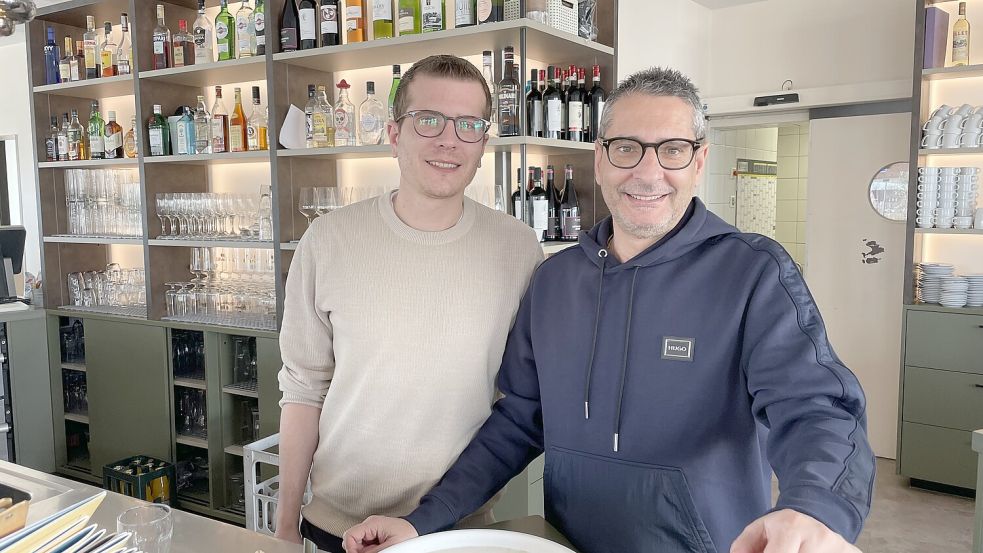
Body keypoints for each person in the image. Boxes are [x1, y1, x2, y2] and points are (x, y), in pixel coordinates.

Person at [343, 67, 873, 553]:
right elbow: (518, 421)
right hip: (567, 544)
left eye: (672, 150)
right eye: (626, 148)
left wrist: (814, 507)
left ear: (699, 161)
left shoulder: (753, 274)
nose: (648, 173)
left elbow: (816, 409)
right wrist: (424, 520)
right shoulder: (555, 281)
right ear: (599, 158)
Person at [275, 54, 544, 553]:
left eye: (468, 125)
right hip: (335, 528)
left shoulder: (520, 248)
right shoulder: (328, 240)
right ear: (395, 134)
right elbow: (303, 389)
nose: (449, 140)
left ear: (483, 142)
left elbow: (519, 402)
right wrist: (286, 527)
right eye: (429, 120)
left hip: (459, 528)